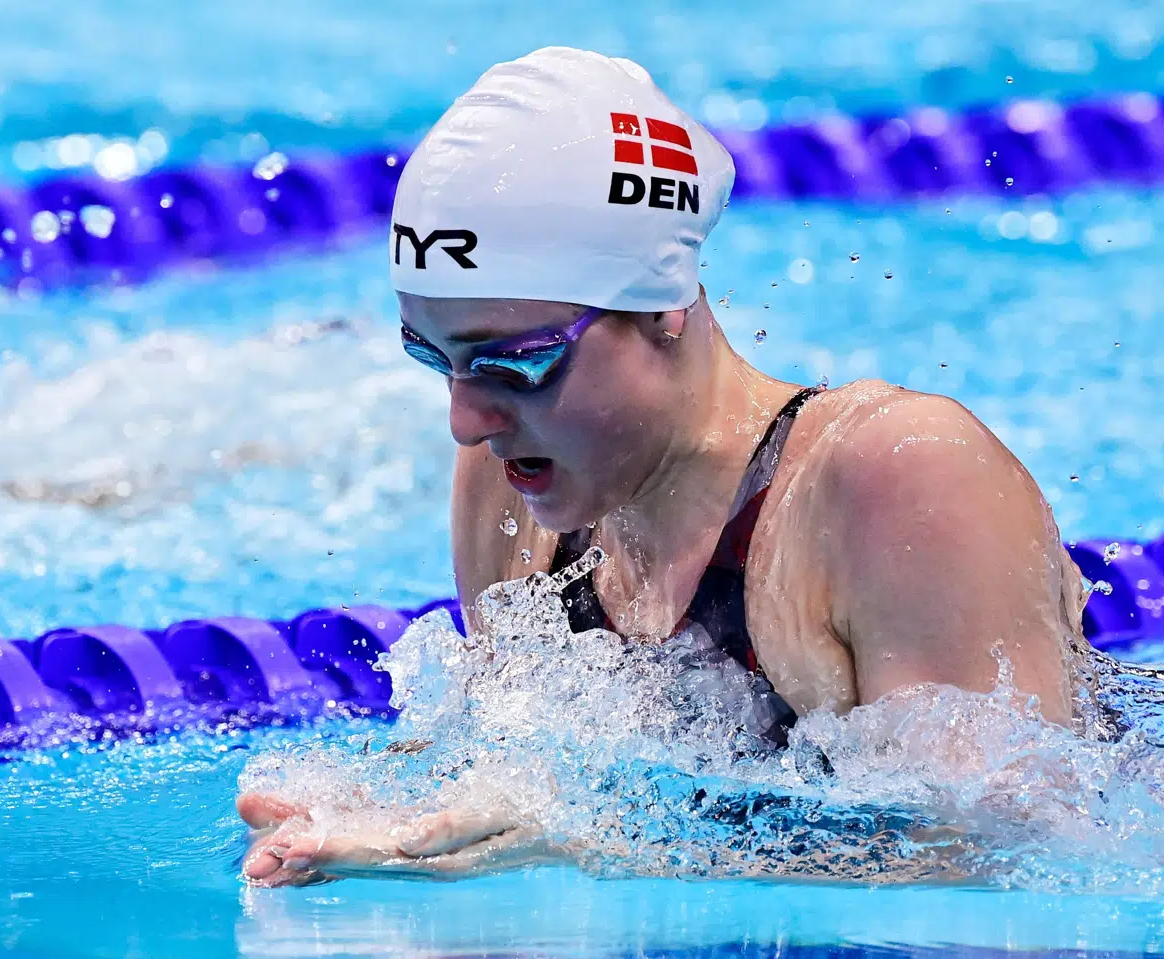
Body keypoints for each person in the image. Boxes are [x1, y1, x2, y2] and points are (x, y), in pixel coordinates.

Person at [238, 46, 1091, 886]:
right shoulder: (508, 481)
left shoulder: (896, 479)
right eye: (438, 359)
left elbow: (1004, 853)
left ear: (663, 308)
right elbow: (512, 777)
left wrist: (590, 836)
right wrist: (394, 817)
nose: (467, 420)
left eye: (518, 362)